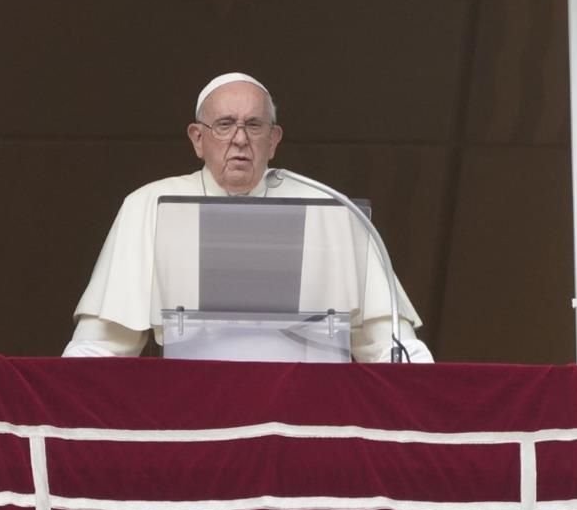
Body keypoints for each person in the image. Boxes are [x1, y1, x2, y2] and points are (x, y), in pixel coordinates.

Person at [64, 72, 433, 362]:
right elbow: (100, 348)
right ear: (197, 138)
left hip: (306, 412)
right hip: (196, 411)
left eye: (253, 126)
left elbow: (390, 344)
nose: (239, 139)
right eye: (224, 125)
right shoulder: (149, 205)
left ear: (273, 140)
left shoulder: (330, 210)